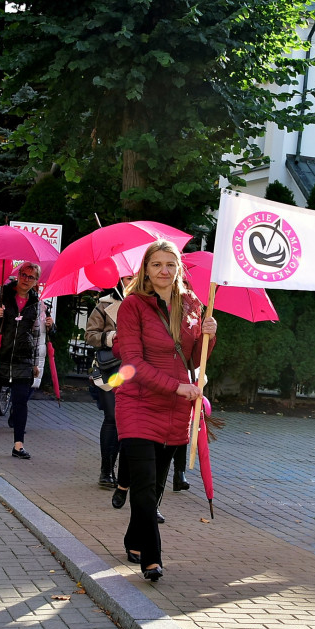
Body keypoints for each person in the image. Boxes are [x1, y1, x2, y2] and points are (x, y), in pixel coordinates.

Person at [114, 240, 217, 582]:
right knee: (144, 485)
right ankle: (152, 559)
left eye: (170, 264)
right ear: (146, 269)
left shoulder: (191, 304)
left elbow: (194, 357)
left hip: (177, 407)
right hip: (138, 403)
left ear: (179, 268)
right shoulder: (133, 306)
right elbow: (132, 362)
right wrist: (176, 386)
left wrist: (209, 335)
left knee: (155, 486)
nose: (164, 270)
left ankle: (134, 539)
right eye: (156, 264)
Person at [0, 262, 47, 458]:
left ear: (36, 281)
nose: (26, 279)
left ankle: (18, 445)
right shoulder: (1, 293)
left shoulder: (37, 303)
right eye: (23, 274)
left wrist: (36, 364)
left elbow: (38, 335)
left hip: (23, 359)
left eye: (31, 277)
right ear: (18, 275)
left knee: (21, 403)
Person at [86, 276, 133, 491]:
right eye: (129, 277)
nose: (133, 280)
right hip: (110, 369)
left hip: (136, 370)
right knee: (112, 417)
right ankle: (106, 471)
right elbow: (90, 335)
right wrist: (112, 336)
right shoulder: (105, 304)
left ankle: (124, 474)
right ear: (120, 279)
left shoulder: (147, 303)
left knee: (130, 422)